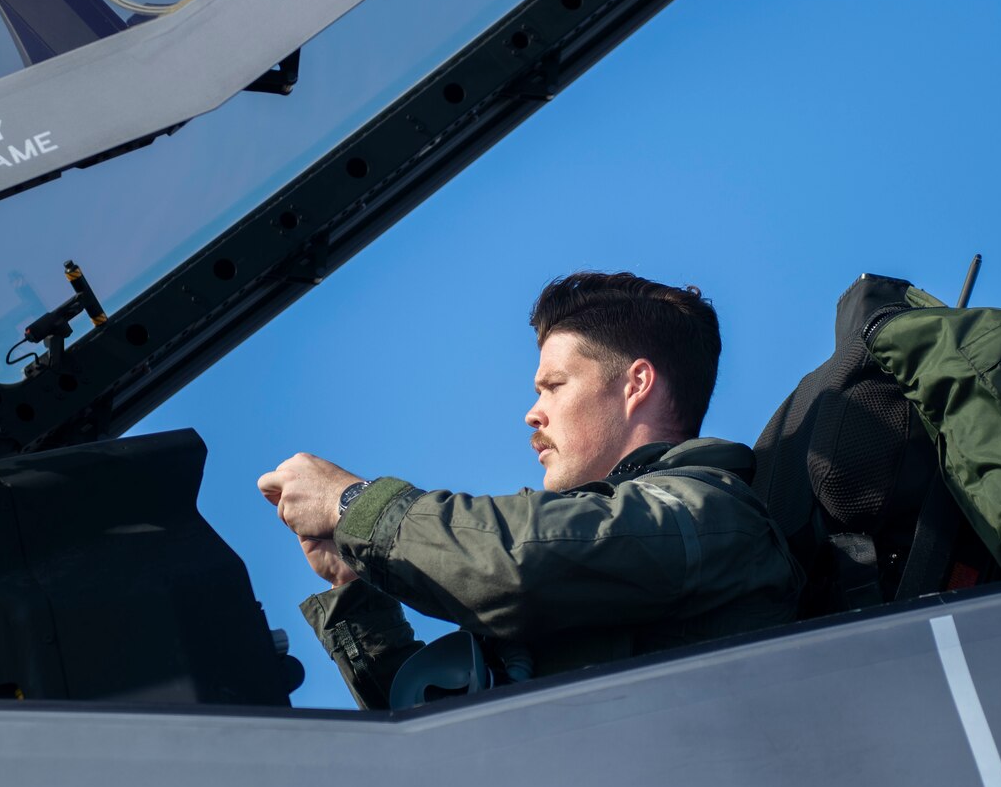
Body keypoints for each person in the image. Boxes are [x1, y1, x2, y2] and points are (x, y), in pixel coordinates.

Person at [257, 271, 802, 708]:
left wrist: (352, 504)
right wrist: (352, 589)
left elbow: (511, 563)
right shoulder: (612, 561)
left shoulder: (705, 515)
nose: (532, 413)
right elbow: (450, 735)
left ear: (636, 383)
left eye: (554, 386)